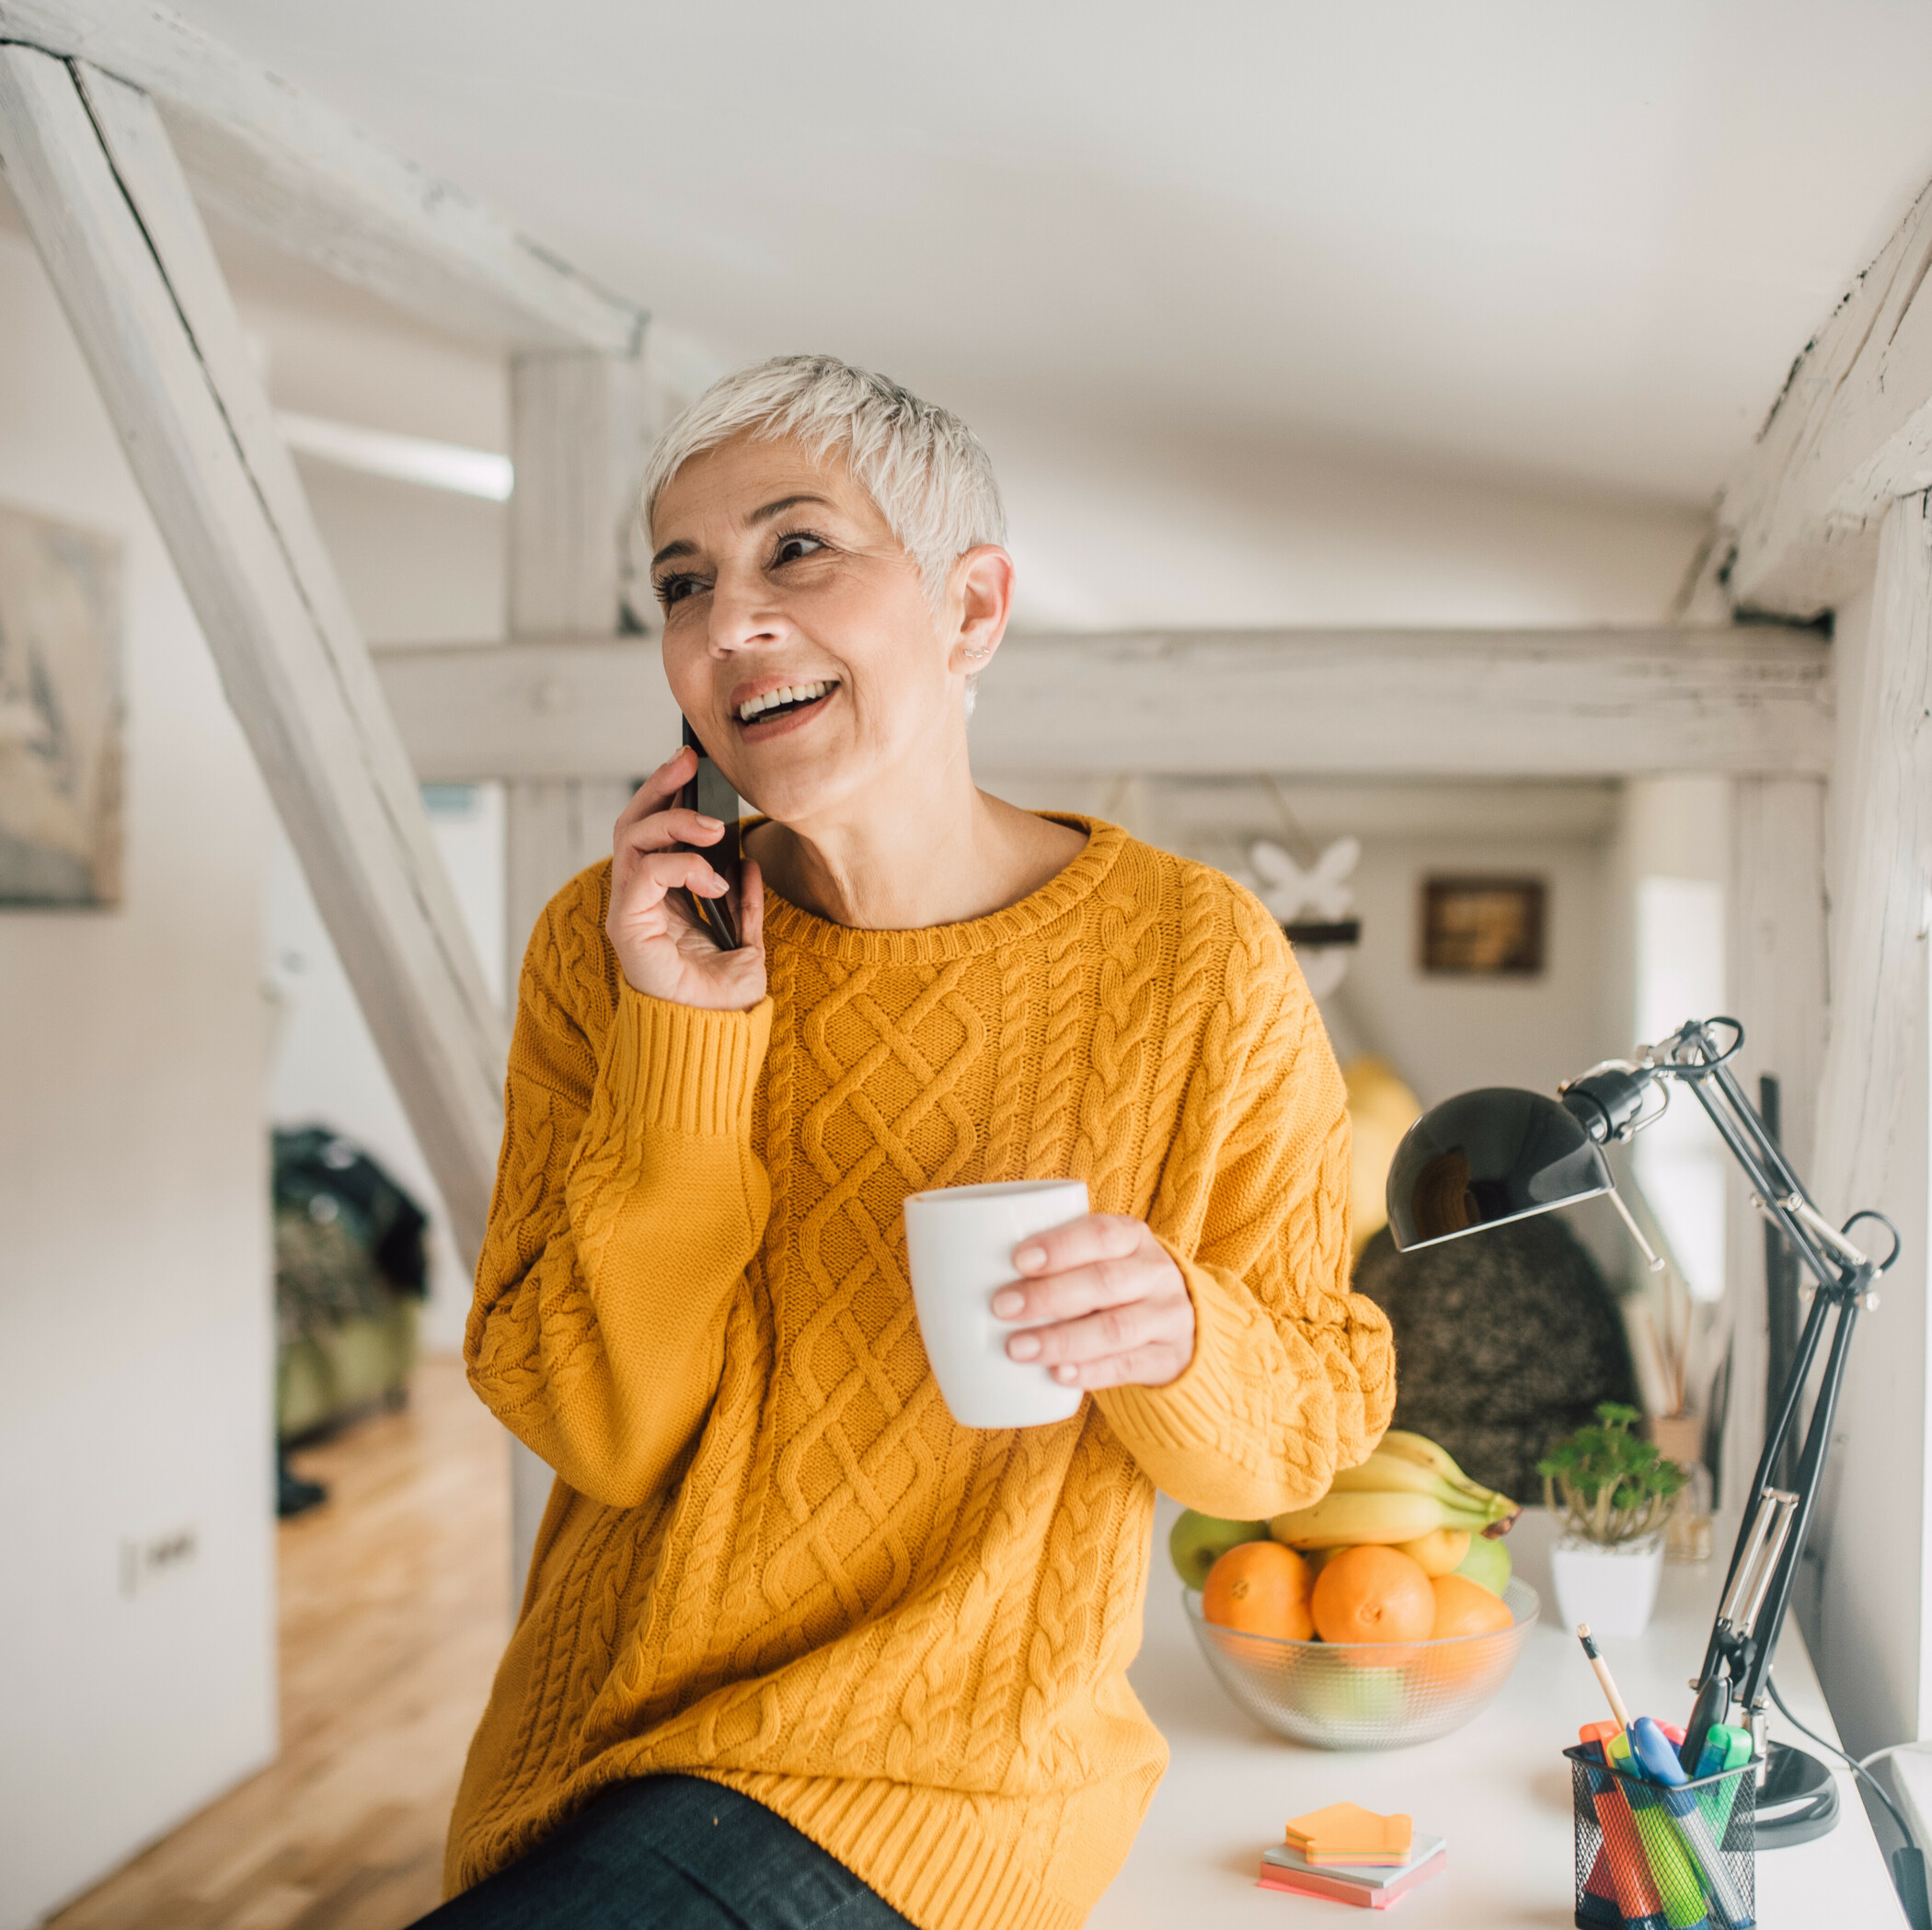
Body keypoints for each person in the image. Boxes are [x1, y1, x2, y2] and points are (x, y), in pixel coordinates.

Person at [420, 355, 1396, 1930]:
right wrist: (684, 1034)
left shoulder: (1198, 962)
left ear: (971, 610)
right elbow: (599, 1432)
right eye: (684, 582)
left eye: (797, 549)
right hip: (597, 1763)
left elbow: (1307, 1422)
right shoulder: (604, 949)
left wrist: (1178, 1331)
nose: (730, 621)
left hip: (946, 1789)